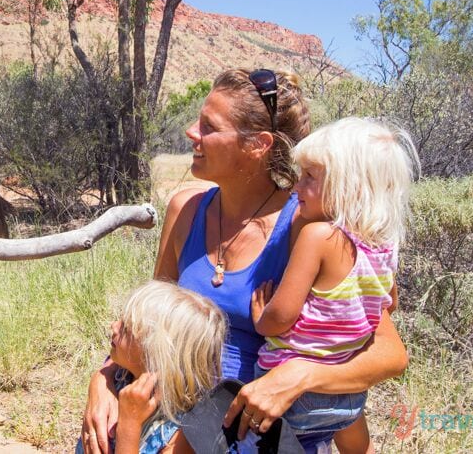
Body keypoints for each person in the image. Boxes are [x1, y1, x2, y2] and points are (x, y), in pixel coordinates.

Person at [80, 69, 409, 454]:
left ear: (257, 145)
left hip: (242, 429)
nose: (191, 132)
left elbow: (390, 354)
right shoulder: (185, 208)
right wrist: (104, 379)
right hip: (170, 409)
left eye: (208, 126)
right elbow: (148, 324)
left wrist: (299, 375)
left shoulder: (307, 227)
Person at [251, 117, 419, 453]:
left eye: (310, 177)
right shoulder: (385, 244)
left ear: (351, 186)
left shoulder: (318, 236)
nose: (297, 187)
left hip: (294, 397)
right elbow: (389, 303)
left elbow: (282, 315)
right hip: (349, 401)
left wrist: (261, 319)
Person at [76, 280, 227, 453]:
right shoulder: (122, 378)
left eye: (126, 328)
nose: (114, 326)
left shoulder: (182, 433)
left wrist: (130, 424)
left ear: (155, 353)